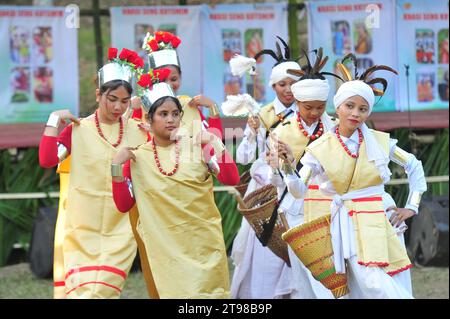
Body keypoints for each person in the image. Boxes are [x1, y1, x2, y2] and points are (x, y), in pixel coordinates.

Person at [271, 56, 427, 298]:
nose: (355, 113)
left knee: (390, 275)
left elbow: (414, 166)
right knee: (360, 283)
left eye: (363, 108)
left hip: (381, 215)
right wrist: (288, 167)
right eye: (349, 106)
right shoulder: (320, 148)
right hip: (345, 221)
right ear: (338, 106)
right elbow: (299, 190)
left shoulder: (380, 141)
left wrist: (412, 207)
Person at [111, 74, 240, 298]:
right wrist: (115, 166)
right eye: (163, 114)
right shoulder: (137, 158)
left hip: (204, 246)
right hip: (166, 252)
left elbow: (231, 179)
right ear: (149, 121)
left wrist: (215, 143)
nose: (170, 119)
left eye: (175, 114)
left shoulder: (198, 147)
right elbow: (124, 205)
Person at [39, 47, 148, 298]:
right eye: (112, 99)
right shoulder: (78, 129)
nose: (118, 107)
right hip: (81, 228)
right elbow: (46, 159)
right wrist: (54, 120)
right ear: (98, 94)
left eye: (124, 101)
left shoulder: (138, 131)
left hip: (120, 229)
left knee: (102, 292)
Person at [231, 37, 302, 299]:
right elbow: (245, 156)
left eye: (293, 84)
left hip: (294, 184)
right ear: (273, 85)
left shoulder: (307, 112)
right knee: (263, 250)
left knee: (292, 247)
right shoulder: (262, 114)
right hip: (265, 190)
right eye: (282, 84)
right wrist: (250, 133)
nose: (288, 89)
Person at [266, 48, 339, 299]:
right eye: (309, 107)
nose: (315, 113)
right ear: (297, 103)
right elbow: (274, 181)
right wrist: (280, 164)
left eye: (320, 107)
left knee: (328, 272)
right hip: (294, 209)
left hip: (328, 207)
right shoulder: (280, 131)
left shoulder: (334, 129)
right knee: (302, 275)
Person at [132, 31, 223, 140]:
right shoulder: (143, 108)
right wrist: (136, 112)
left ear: (180, 78)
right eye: (163, 80)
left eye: (174, 79)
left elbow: (213, 145)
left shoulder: (188, 105)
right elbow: (134, 143)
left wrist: (213, 107)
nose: (169, 84)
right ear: (153, 79)